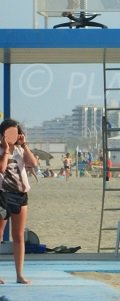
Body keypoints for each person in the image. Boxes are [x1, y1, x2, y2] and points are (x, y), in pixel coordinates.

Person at [0, 119, 36, 284]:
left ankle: (19, 274)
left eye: (15, 133)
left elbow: (33, 163)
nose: (13, 136)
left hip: (20, 195)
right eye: (9, 133)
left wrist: (24, 145)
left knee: (18, 235)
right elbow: (1, 168)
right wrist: (6, 151)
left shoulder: (21, 150)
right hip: (2, 195)